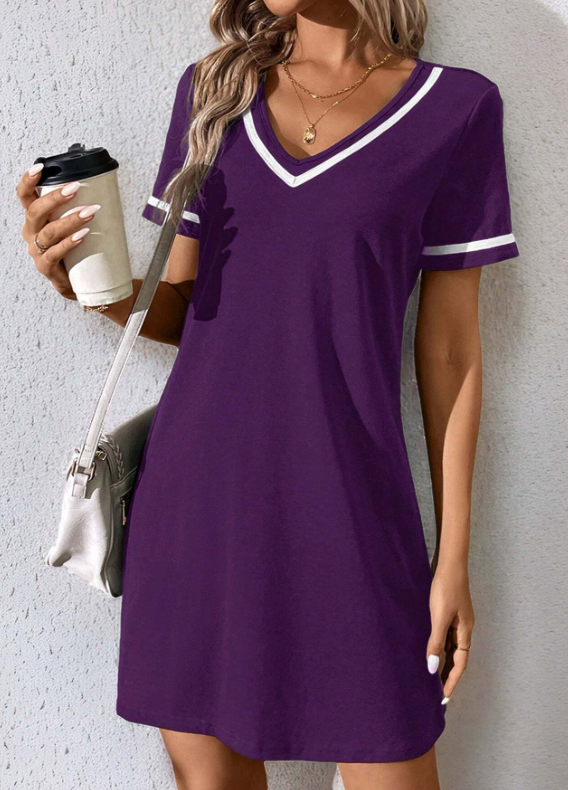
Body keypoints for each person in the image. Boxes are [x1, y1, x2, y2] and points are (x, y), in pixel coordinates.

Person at [17, 1, 519, 787]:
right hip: (197, 509)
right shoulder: (213, 93)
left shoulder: (456, 108)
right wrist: (85, 286)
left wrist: (453, 558)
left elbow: (451, 350)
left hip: (354, 509)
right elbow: (188, 308)